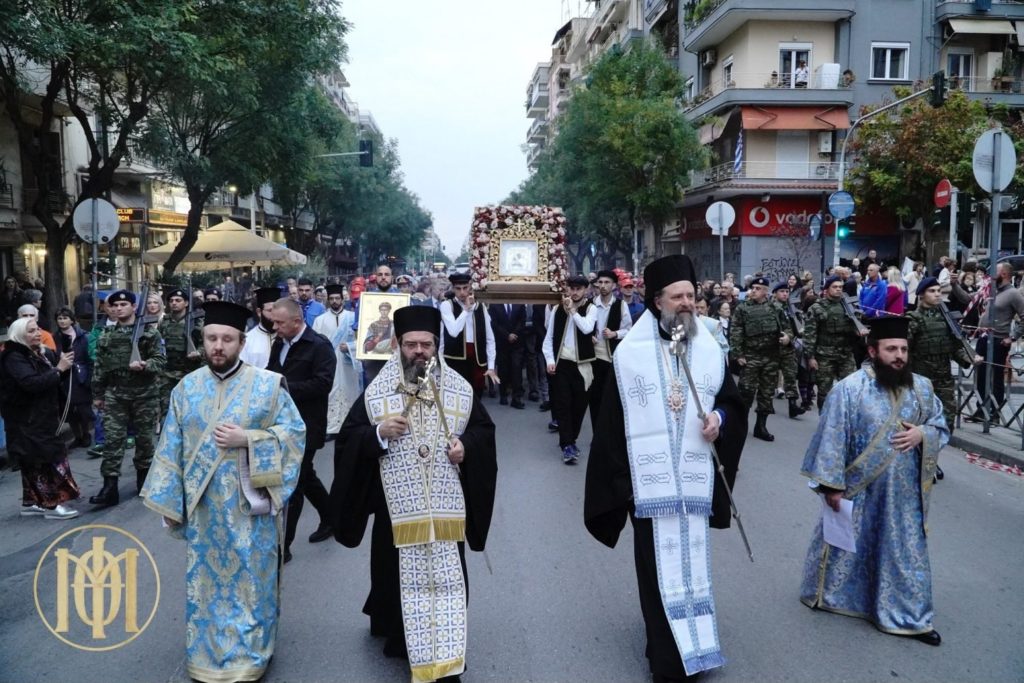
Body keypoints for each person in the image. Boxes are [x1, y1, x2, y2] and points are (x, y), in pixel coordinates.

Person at [584, 254, 747, 682]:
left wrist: (720, 420)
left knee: (694, 570)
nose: (687, 303)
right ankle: (668, 658)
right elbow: (610, 427)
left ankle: (699, 646)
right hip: (648, 487)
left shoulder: (709, 349)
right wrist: (623, 485)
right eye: (678, 297)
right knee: (657, 574)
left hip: (694, 481)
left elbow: (732, 403)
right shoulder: (629, 356)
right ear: (657, 301)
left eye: (691, 295)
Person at [330, 305, 497, 683]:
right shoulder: (377, 393)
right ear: (397, 344)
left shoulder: (459, 389)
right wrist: (377, 434)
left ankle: (448, 650)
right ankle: (404, 639)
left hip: (446, 506)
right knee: (394, 576)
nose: (419, 352)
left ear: (437, 345)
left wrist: (466, 448)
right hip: (396, 509)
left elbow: (483, 433)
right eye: (411, 345)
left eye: (426, 344)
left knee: (449, 578)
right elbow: (348, 441)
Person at [141, 301, 306, 683]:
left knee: (251, 582)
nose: (218, 346)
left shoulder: (267, 385)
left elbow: (294, 435)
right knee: (206, 585)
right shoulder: (186, 389)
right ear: (203, 340)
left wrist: (248, 438)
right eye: (211, 338)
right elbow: (172, 444)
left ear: (241, 342)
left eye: (227, 339)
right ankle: (206, 652)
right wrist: (170, 501)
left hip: (251, 508)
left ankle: (251, 654)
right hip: (205, 510)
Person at [799, 316, 948, 647]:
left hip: (905, 495)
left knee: (904, 553)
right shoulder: (849, 389)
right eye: (891, 349)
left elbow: (940, 424)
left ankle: (911, 617)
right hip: (860, 489)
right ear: (873, 351)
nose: (899, 356)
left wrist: (923, 434)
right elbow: (832, 438)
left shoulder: (922, 388)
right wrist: (832, 485)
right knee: (849, 548)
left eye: (904, 349)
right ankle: (839, 597)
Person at [267, 297, 337, 560]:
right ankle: (331, 517)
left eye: (280, 323)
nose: (275, 327)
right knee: (305, 476)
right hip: (281, 424)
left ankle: (282, 547)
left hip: (307, 426)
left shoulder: (319, 346)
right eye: (274, 322)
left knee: (294, 485)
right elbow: (272, 373)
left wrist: (285, 388)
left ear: (297, 321)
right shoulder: (279, 342)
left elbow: (323, 384)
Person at [89, 290, 166, 507]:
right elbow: (99, 367)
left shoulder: (149, 333)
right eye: (115, 305)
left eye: (123, 304)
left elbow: (160, 361)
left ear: (134, 307)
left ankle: (144, 480)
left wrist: (145, 365)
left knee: (145, 440)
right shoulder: (106, 335)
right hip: (116, 394)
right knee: (112, 441)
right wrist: (97, 394)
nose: (119, 308)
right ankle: (109, 487)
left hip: (145, 394)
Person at [0, 317, 80, 518]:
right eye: (31, 331)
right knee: (43, 460)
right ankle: (52, 504)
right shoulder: (14, 356)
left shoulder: (39, 353)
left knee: (35, 461)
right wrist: (59, 369)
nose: (37, 334)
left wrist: (64, 367)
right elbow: (32, 384)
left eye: (37, 329)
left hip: (42, 416)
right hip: (26, 420)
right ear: (19, 335)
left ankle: (31, 502)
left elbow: (52, 378)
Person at [907, 277, 982, 480]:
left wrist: (969, 358)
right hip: (921, 380)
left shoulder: (947, 319)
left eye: (939, 291)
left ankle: (931, 459)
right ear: (922, 295)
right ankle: (922, 462)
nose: (937, 294)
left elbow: (956, 347)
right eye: (932, 291)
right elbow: (904, 349)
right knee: (920, 422)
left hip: (944, 378)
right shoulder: (913, 319)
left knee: (947, 422)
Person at [542, 274, 597, 464]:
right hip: (562, 363)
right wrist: (550, 360)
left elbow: (587, 328)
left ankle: (571, 440)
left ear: (586, 290)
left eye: (578, 289)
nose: (574, 292)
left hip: (583, 365)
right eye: (571, 289)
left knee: (579, 406)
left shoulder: (591, 308)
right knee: (563, 405)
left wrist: (573, 311)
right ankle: (567, 445)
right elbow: (548, 338)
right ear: (567, 289)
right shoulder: (557, 309)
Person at [730, 276, 790, 440]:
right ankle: (740, 425)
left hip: (771, 357)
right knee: (746, 391)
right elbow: (736, 332)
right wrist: (738, 354)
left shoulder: (775, 308)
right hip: (751, 356)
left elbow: (787, 328)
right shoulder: (743, 309)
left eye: (758, 289)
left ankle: (761, 426)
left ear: (765, 291)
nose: (754, 291)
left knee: (766, 393)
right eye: (753, 288)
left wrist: (787, 337)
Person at [970, 261, 1024, 423]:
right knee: (980, 375)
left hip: (999, 340)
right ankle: (981, 410)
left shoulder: (1013, 294)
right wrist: (954, 284)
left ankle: (995, 413)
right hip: (984, 338)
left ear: (1004, 274)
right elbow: (969, 299)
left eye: (996, 271)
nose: (992, 275)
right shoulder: (992, 290)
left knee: (996, 377)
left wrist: (1012, 337)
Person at [803, 275, 867, 409]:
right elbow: (810, 335)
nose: (838, 289)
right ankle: (824, 417)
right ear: (827, 289)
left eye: (841, 287)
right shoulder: (817, 308)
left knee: (851, 388)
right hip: (825, 356)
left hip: (846, 354)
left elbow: (855, 329)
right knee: (824, 392)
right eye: (835, 287)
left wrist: (859, 332)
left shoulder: (848, 307)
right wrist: (810, 357)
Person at [313, 283, 360, 435]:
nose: (334, 301)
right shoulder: (320, 320)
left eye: (337, 298)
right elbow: (315, 343)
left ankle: (349, 425)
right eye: (332, 298)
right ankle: (331, 427)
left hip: (348, 363)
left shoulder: (352, 318)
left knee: (350, 391)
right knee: (330, 392)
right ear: (328, 300)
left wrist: (350, 346)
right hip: (329, 364)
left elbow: (362, 341)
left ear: (342, 299)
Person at [440, 272, 498, 398]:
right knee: (456, 398)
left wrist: (491, 366)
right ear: (453, 289)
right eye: (458, 289)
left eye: (465, 288)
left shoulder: (481, 307)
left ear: (470, 287)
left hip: (477, 360)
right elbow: (453, 332)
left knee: (476, 398)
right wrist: (466, 310)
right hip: (455, 360)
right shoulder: (447, 305)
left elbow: (490, 338)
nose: (462, 292)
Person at [588, 270, 633, 432]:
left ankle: (609, 434)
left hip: (611, 357)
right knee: (594, 398)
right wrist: (588, 337)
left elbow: (629, 330)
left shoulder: (620, 305)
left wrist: (615, 334)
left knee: (610, 398)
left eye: (607, 282)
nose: (603, 286)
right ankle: (596, 434)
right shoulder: (590, 304)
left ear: (614, 286)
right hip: (591, 357)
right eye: (600, 282)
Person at [157, 288, 204, 423]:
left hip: (189, 372)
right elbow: (159, 343)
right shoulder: (164, 321)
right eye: (171, 301)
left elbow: (204, 343)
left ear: (186, 303)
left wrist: (198, 352)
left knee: (190, 410)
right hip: (167, 373)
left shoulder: (196, 321)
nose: (174, 303)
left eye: (178, 300)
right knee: (167, 410)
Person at [54, 307, 94, 447]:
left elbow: (89, 359)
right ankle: (77, 436)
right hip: (64, 376)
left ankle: (86, 433)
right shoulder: (54, 338)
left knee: (83, 408)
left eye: (65, 318)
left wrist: (89, 378)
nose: (62, 321)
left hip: (80, 375)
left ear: (72, 320)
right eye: (59, 318)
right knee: (69, 409)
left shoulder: (83, 336)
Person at [772, 281, 807, 419]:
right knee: (769, 377)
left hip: (788, 348)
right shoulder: (772, 308)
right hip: (773, 348)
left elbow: (795, 328)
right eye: (782, 291)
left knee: (791, 376)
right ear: (775, 293)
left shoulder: (790, 308)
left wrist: (791, 336)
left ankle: (793, 405)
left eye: (787, 291)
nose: (785, 294)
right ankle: (766, 404)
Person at [488, 301, 527, 408]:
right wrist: (507, 335)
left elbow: (522, 320)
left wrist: (514, 334)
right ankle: (503, 395)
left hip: (517, 342)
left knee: (517, 369)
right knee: (503, 369)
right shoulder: (495, 305)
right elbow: (494, 324)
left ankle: (516, 398)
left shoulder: (519, 303)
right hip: (502, 342)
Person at [239, 286, 279, 369]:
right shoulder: (248, 340)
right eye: (270, 310)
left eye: (277, 310)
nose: (275, 315)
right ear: (259, 312)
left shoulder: (287, 337)